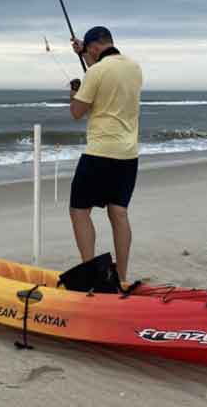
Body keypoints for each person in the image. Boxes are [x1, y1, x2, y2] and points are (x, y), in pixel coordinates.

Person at [68, 26, 143, 283]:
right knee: (118, 213)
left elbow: (77, 111)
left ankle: (91, 274)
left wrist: (75, 91)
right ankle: (121, 278)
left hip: (100, 153)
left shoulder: (97, 71)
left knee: (79, 211)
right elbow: (108, 85)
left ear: (95, 49)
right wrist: (84, 52)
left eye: (88, 54)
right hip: (128, 154)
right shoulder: (134, 68)